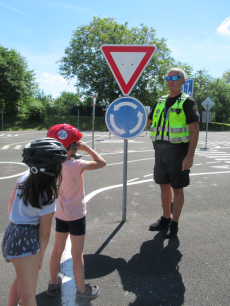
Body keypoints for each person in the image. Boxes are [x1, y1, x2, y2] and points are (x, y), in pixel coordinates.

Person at [1, 138, 67, 306]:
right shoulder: (48, 195)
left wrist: (16, 223)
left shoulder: (24, 176)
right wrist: (40, 256)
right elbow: (44, 233)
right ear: (52, 168)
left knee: (21, 280)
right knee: (29, 296)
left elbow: (10, 201)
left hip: (12, 233)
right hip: (27, 240)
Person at [46, 124, 106, 304]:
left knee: (57, 249)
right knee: (77, 252)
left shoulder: (53, 165)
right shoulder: (76, 165)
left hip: (61, 214)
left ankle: (52, 283)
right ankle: (82, 290)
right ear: (72, 147)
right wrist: (86, 147)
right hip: (77, 215)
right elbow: (102, 162)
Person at [147, 68, 199, 238]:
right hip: (160, 152)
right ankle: (165, 218)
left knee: (177, 189)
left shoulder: (188, 102)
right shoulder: (160, 101)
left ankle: (174, 224)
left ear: (183, 81)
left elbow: (195, 130)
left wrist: (190, 156)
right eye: (168, 77)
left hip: (179, 153)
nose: (171, 81)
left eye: (175, 78)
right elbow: (146, 121)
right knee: (163, 186)